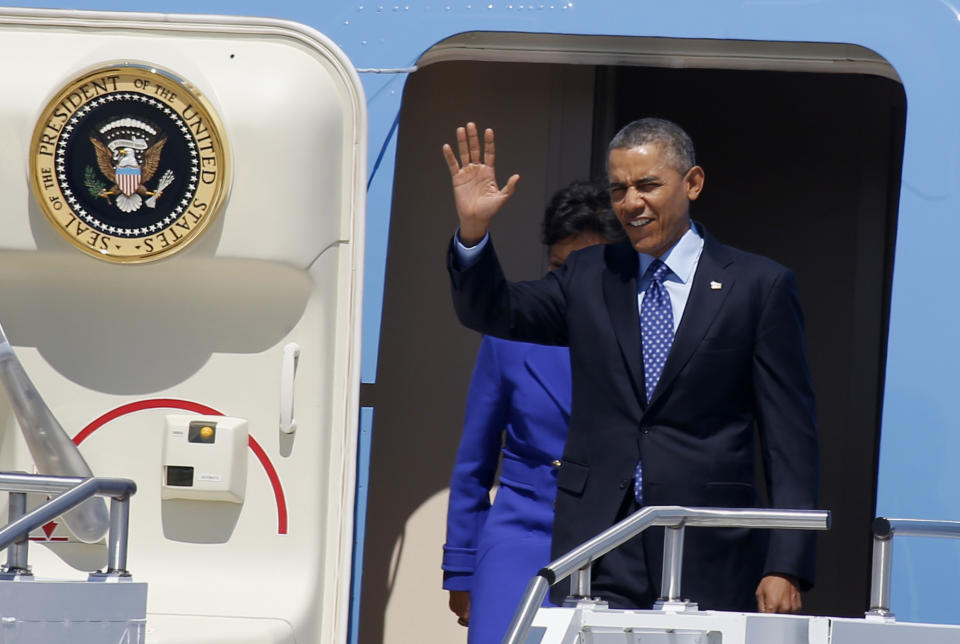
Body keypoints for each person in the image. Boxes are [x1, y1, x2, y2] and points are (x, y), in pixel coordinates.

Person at [442, 118, 819, 614]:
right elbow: (493, 312)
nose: (631, 203)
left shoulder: (757, 285)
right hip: (598, 543)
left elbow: (789, 438)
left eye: (647, 185)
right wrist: (474, 232)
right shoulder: (590, 274)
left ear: (693, 183)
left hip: (706, 547)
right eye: (619, 188)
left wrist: (785, 563)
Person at [442, 180, 626, 643]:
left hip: (618, 547)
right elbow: (474, 461)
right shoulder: (511, 333)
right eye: (559, 268)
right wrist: (462, 567)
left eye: (588, 270)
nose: (571, 284)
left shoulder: (648, 335)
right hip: (524, 540)